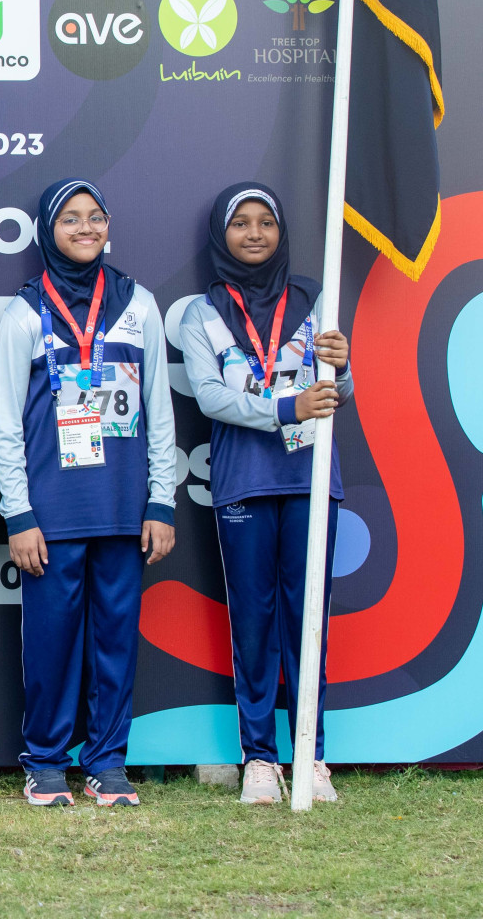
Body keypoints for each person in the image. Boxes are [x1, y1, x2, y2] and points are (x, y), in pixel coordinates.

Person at [0, 178, 176, 807]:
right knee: (50, 645)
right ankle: (44, 761)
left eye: (94, 217)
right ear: (49, 230)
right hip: (52, 514)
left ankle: (107, 761)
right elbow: (7, 426)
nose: (85, 228)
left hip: (124, 512)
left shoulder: (139, 304)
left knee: (116, 641)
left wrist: (161, 502)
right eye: (70, 219)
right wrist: (18, 514)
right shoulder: (22, 312)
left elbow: (159, 410)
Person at [180, 182, 352, 805]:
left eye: (266, 223)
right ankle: (259, 758)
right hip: (243, 483)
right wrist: (289, 404)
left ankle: (312, 754)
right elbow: (210, 397)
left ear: (282, 233)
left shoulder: (315, 297)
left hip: (311, 479)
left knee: (309, 623)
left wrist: (344, 367)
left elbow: (338, 388)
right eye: (240, 223)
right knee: (252, 622)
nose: (254, 234)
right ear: (221, 235)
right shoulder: (202, 312)